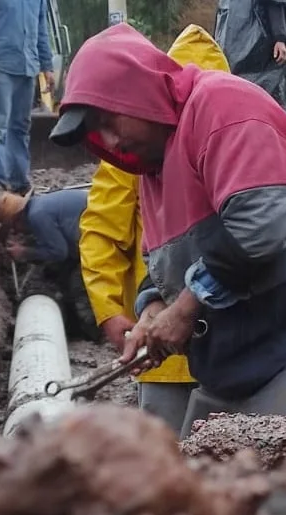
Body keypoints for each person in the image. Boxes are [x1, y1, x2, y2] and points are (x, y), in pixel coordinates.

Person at [49, 23, 286, 442]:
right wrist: (151, 308)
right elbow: (162, 262)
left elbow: (259, 230)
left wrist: (183, 311)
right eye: (96, 133)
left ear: (137, 92)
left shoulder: (224, 108)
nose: (110, 140)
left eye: (109, 120)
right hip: (231, 367)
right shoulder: (152, 167)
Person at [78, 25, 231, 437]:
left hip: (225, 348)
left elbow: (100, 232)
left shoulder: (228, 137)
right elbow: (102, 231)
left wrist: (111, 308)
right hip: (161, 347)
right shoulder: (134, 145)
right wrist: (111, 312)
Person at [0, 0, 55, 202]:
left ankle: (19, 182)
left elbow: (41, 29)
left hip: (27, 66)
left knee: (21, 126)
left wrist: (46, 65)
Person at [0, 189, 99, 340]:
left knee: (78, 285)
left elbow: (59, 252)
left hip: (100, 237)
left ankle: (96, 333)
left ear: (17, 219)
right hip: (91, 233)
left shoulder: (37, 216)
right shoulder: (39, 207)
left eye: (14, 228)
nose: (17, 232)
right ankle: (75, 329)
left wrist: (24, 252)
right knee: (57, 272)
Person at [214, 0, 286, 124]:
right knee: (270, 95)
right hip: (262, 47)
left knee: (243, 98)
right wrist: (280, 37)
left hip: (233, 48)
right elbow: (274, 3)